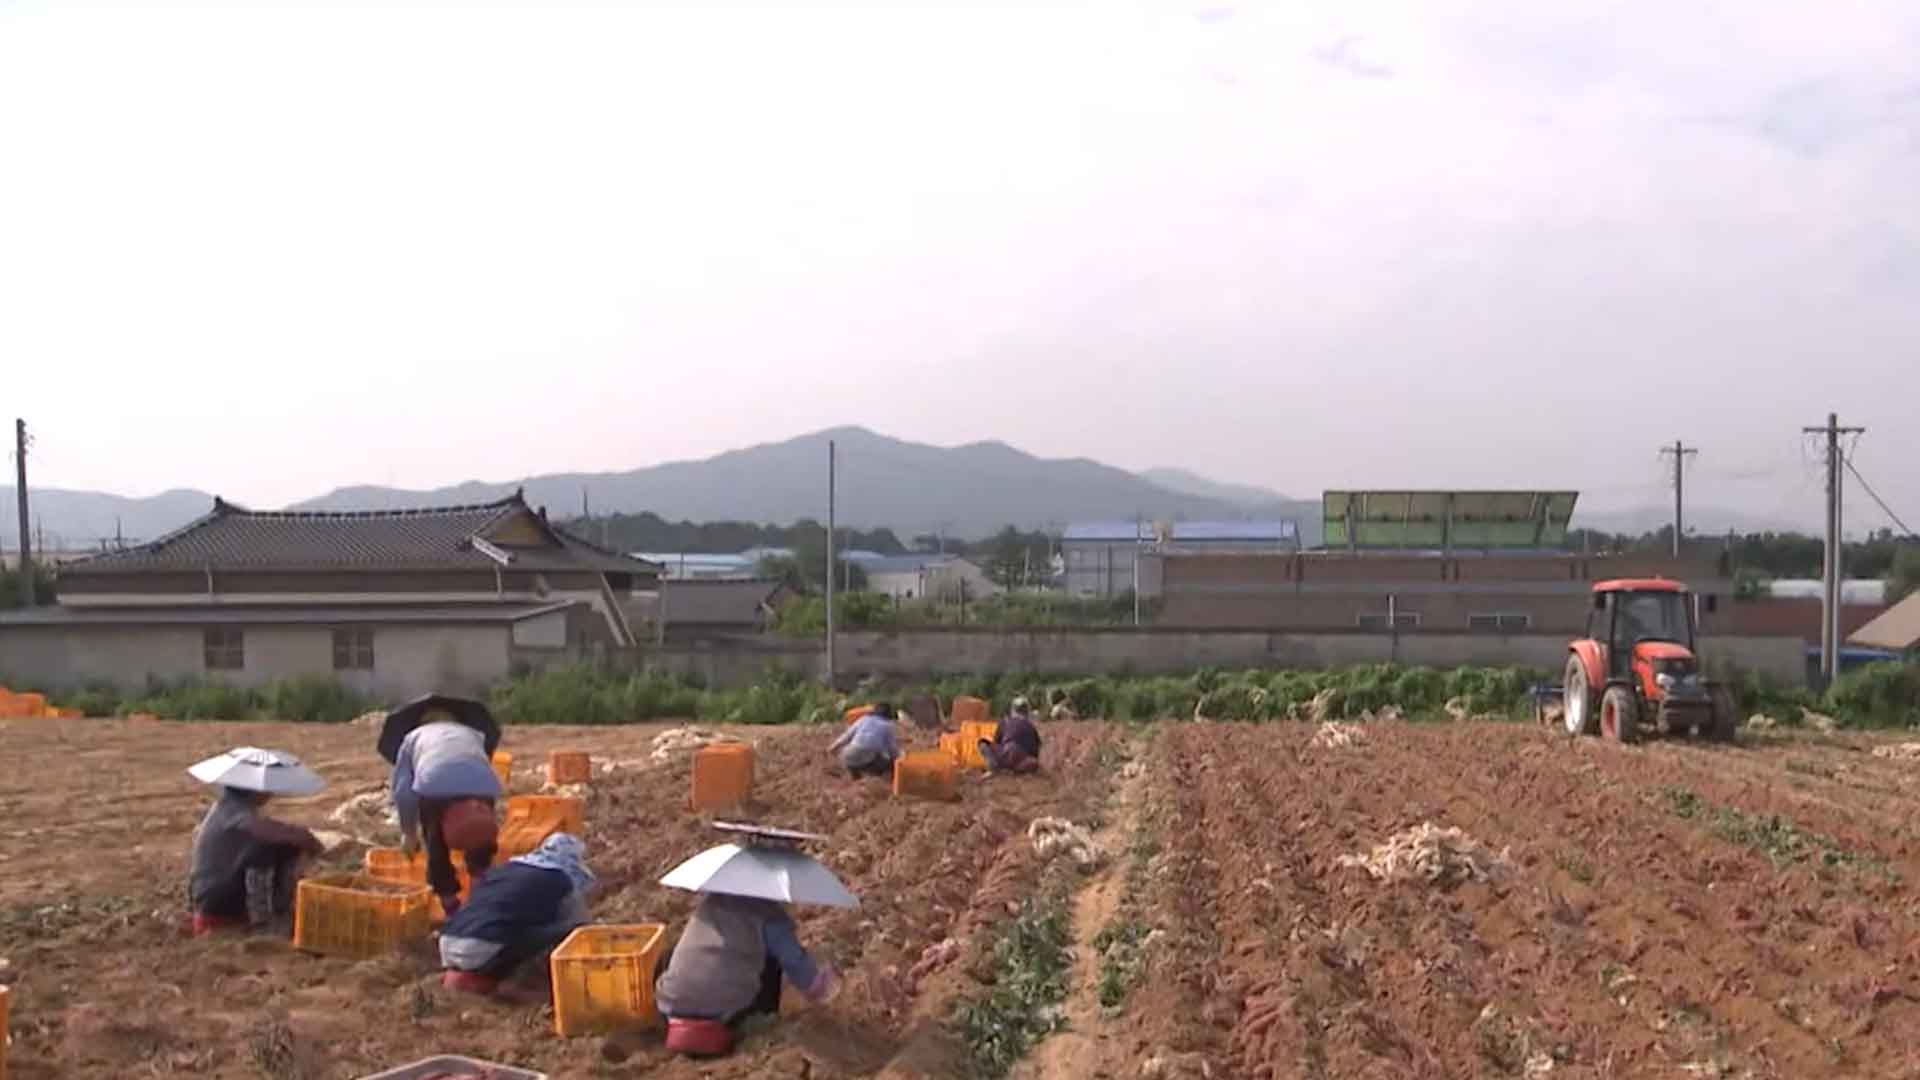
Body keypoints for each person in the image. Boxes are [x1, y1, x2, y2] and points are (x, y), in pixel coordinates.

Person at [654, 892, 841, 1056]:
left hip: (672, 1004)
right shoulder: (770, 916)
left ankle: (666, 1019)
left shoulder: (710, 903)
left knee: (670, 955)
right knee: (771, 959)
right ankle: (762, 1018)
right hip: (725, 1011)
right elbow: (797, 965)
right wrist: (823, 985)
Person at [440, 832, 594, 999]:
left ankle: (469, 974)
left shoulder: (503, 870)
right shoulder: (561, 879)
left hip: (448, 942)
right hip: (483, 948)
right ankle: (515, 983)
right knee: (572, 930)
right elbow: (582, 925)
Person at [391, 708, 502, 919]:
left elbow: (403, 791)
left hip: (436, 785)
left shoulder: (412, 738)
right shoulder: (474, 734)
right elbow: (479, 761)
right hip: (483, 783)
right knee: (479, 834)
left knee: (437, 845)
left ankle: (451, 906)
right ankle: (482, 891)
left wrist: (409, 833)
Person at [188, 785, 325, 935]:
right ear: (255, 790)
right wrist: (307, 840)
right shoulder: (237, 814)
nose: (271, 792)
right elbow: (271, 832)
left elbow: (270, 829)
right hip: (218, 908)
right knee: (268, 849)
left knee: (275, 846)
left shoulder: (225, 807)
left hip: (207, 900)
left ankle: (272, 914)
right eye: (268, 787)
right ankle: (264, 922)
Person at [827, 702, 899, 779]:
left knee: (850, 756)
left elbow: (846, 736)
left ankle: (855, 775)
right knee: (887, 763)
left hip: (849, 756)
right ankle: (876, 776)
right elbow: (891, 748)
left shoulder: (863, 719)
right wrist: (898, 759)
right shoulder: (887, 726)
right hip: (868, 758)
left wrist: (833, 747)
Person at [980, 696, 1043, 774]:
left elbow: (996, 742)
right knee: (1033, 763)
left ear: (1013, 709)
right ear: (1027, 710)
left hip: (1005, 755)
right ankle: (1015, 770)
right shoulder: (1030, 726)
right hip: (1021, 759)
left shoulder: (1005, 721)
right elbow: (1036, 750)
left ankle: (995, 766)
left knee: (983, 743)